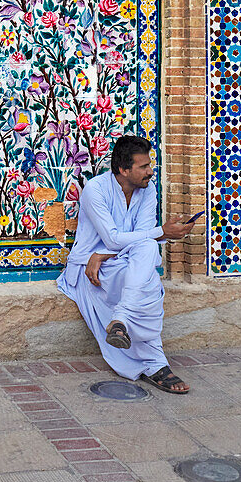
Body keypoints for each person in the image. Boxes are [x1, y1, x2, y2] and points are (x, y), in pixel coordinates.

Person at [57, 134, 194, 394]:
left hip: (122, 261)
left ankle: (121, 319)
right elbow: (112, 238)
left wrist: (110, 251)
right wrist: (161, 232)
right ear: (123, 169)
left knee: (146, 251)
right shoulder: (95, 190)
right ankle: (156, 365)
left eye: (150, 165)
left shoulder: (147, 189)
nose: (150, 172)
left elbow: (140, 237)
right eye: (143, 167)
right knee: (149, 281)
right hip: (89, 267)